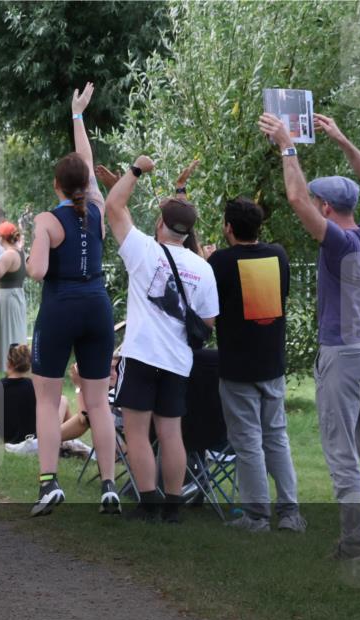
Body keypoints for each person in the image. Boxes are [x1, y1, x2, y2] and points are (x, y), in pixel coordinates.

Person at [259, 112, 360, 560]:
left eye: (317, 203)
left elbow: (295, 197)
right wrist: (341, 139)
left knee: (342, 453)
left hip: (343, 355)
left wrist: (287, 145)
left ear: (325, 208)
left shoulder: (338, 242)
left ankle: (356, 543)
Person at [104, 155, 219, 523]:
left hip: (141, 354)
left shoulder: (143, 250)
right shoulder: (203, 268)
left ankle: (148, 503)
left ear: (159, 224)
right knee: (171, 432)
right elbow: (208, 321)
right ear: (187, 232)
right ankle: (173, 507)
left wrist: (136, 169)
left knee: (137, 431)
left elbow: (114, 206)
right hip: (177, 360)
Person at [25, 84, 121, 516]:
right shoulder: (97, 208)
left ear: (56, 186)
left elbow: (37, 271)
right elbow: (86, 160)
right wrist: (77, 116)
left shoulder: (48, 220)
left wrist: (31, 246)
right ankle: (109, 486)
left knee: (48, 400)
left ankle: (49, 483)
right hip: (97, 304)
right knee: (98, 402)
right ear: (85, 184)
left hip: (61, 307)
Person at [208, 197, 305, 533]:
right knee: (276, 437)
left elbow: (210, 303)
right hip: (271, 363)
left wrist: (208, 261)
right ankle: (290, 513)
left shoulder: (221, 261)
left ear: (228, 228)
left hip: (238, 367)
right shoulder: (278, 255)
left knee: (248, 441)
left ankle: (256, 517)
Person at [0, 345, 91, 454]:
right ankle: (71, 439)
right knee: (62, 400)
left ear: (8, 363)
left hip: (7, 440)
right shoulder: (37, 387)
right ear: (28, 364)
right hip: (34, 440)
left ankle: (70, 439)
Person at [0, 222, 26, 375]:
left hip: (6, 297)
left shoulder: (9, 254)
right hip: (13, 295)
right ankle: (13, 365)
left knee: (7, 333)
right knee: (11, 331)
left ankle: (8, 365)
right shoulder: (19, 252)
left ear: (2, 237)